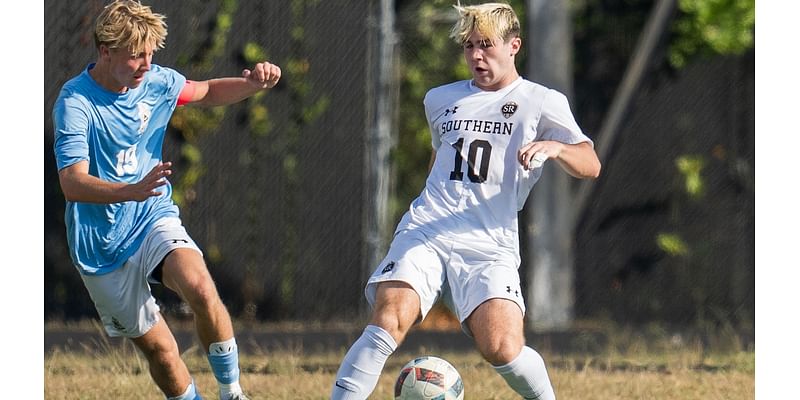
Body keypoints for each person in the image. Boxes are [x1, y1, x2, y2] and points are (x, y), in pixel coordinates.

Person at [330, 2, 601, 399]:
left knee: (502, 347)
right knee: (389, 318)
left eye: (486, 45)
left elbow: (590, 164)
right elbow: (439, 159)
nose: (476, 55)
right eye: (469, 45)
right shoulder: (440, 99)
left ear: (514, 46)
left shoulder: (541, 101)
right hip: (428, 228)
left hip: (490, 240)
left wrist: (556, 148)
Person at [52, 1, 281, 399]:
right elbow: (72, 183)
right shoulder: (75, 103)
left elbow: (205, 91)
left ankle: (233, 393)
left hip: (150, 216)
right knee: (162, 351)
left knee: (201, 288)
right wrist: (129, 190)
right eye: (135, 56)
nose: (146, 64)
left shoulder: (157, 81)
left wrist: (251, 86)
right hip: (100, 246)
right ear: (105, 51)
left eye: (151, 54)